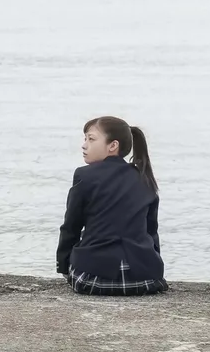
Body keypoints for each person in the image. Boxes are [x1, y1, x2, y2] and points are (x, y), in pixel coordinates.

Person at [56, 116, 167, 296]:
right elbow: (151, 231)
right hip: (144, 280)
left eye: (91, 139)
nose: (84, 145)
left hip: (94, 279)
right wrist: (154, 266)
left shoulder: (85, 175)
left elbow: (71, 226)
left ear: (113, 145)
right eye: (85, 139)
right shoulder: (144, 177)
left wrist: (63, 265)